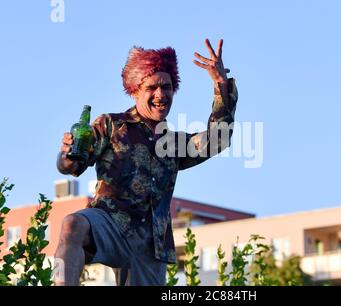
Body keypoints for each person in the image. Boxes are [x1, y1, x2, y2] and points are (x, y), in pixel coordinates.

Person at [54, 39, 238, 286]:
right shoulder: (111, 125)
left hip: (151, 244)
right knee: (72, 224)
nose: (160, 94)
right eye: (152, 87)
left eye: (167, 87)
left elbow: (218, 139)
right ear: (135, 90)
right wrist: (66, 154)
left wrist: (221, 84)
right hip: (112, 223)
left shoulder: (173, 144)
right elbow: (72, 165)